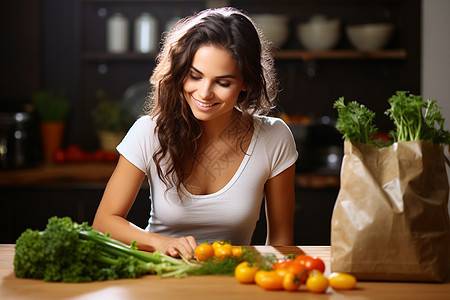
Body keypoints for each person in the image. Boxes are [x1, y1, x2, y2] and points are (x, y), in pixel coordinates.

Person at [93, 7, 298, 260]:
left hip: (232, 281)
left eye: (223, 82)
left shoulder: (274, 137)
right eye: (195, 76)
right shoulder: (149, 132)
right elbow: (104, 222)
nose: (204, 93)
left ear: (246, 82)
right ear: (180, 72)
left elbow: (280, 242)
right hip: (158, 276)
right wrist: (159, 243)